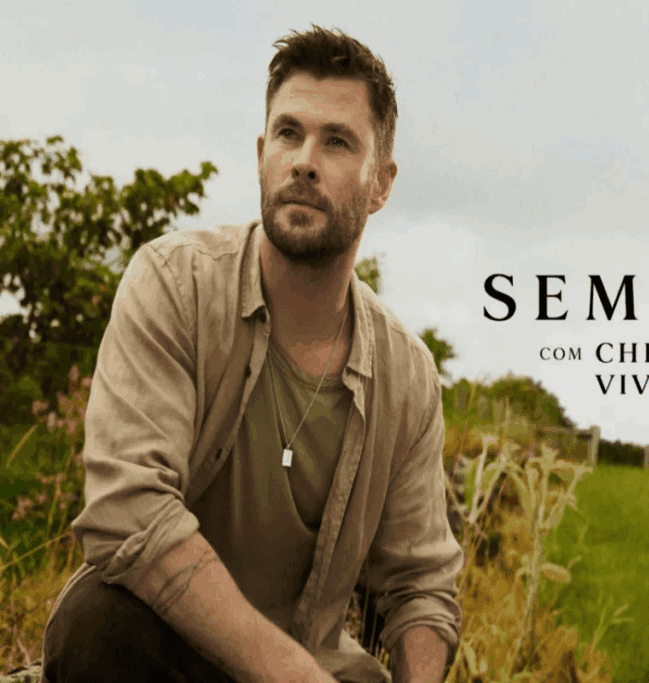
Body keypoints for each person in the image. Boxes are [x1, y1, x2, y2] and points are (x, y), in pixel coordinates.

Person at [40, 26, 462, 683]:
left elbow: (421, 585)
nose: (304, 161)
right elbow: (130, 510)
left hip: (322, 664)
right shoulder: (174, 284)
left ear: (381, 183)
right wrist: (286, 672)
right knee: (95, 620)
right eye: (289, 134)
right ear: (263, 153)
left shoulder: (406, 374)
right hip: (173, 652)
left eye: (338, 141)